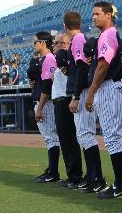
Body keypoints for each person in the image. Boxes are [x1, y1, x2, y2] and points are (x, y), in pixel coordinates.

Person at [85, 2, 122, 199]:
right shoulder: (105, 34)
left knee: (112, 137)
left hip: (109, 87)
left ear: (109, 15)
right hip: (107, 88)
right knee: (111, 138)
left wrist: (91, 92)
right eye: (93, 14)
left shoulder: (108, 34)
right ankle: (119, 184)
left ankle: (120, 185)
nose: (94, 17)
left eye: (98, 14)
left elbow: (103, 66)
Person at [64, 12, 106, 193]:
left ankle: (97, 178)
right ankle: (91, 177)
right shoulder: (78, 39)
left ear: (65, 26)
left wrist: (76, 97)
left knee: (86, 135)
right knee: (83, 135)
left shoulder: (79, 39)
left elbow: (82, 68)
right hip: (81, 91)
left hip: (82, 92)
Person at [51, 33, 84, 188]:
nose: (54, 45)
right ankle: (72, 174)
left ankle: (75, 176)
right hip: (60, 100)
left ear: (65, 44)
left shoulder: (66, 58)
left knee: (69, 140)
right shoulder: (61, 59)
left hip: (66, 100)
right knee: (66, 140)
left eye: (56, 42)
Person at [33, 31, 61, 184]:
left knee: (51, 138)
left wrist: (40, 108)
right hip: (46, 102)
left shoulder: (49, 58)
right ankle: (51, 169)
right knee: (49, 138)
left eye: (35, 42)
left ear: (43, 43)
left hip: (47, 103)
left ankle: (54, 172)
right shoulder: (45, 58)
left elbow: (47, 84)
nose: (34, 44)